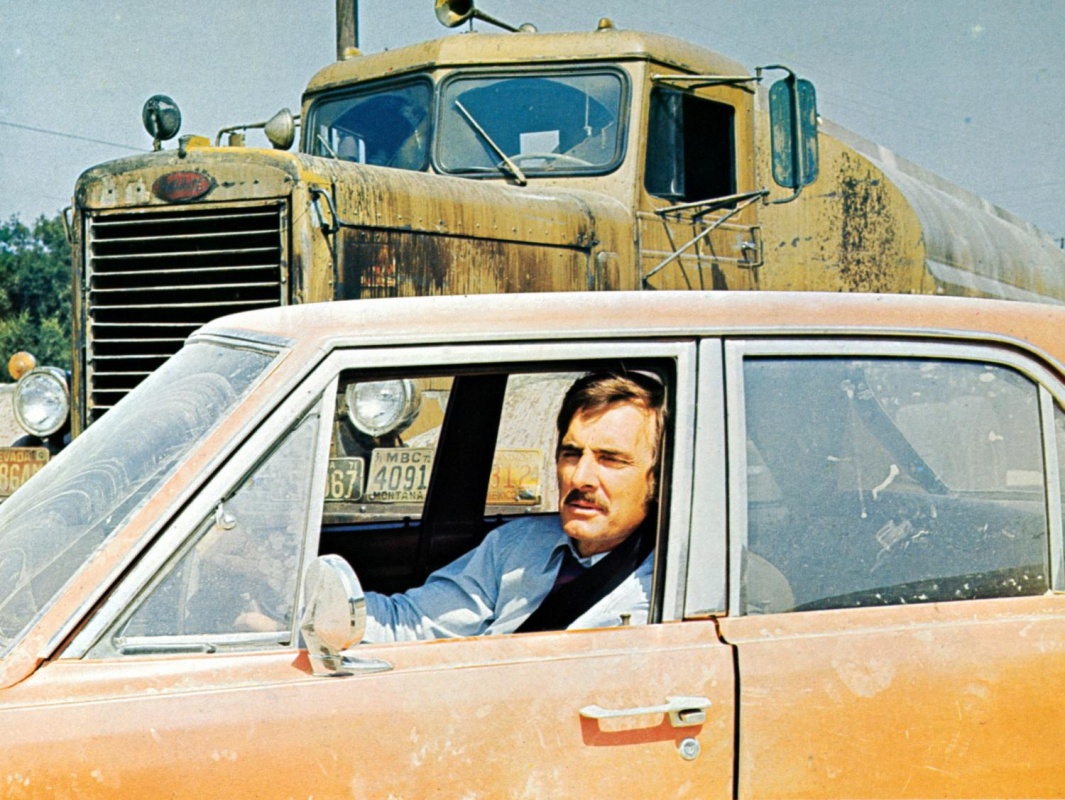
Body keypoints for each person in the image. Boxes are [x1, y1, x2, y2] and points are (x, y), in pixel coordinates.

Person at [363, 370, 666, 642]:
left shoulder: (665, 588)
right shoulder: (516, 545)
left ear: (659, 477)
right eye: (571, 454)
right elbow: (411, 623)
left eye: (610, 459)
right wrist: (340, 608)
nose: (579, 477)